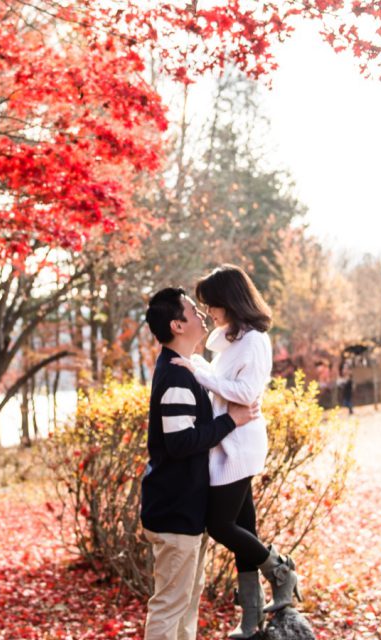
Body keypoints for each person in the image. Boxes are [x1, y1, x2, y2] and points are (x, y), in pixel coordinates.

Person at [171, 265, 300, 639]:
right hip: (229, 442)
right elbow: (219, 374)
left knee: (220, 525)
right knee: (244, 529)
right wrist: (199, 363)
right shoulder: (233, 338)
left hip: (240, 444)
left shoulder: (255, 340)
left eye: (212, 303)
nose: (208, 311)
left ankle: (280, 571)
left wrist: (198, 372)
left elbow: (246, 393)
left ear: (229, 300)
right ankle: (250, 621)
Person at [141, 287, 259, 640]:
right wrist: (230, 421)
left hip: (186, 511)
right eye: (193, 310)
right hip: (174, 513)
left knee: (186, 604)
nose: (203, 314)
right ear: (177, 325)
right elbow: (180, 442)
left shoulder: (184, 368)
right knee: (170, 606)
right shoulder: (176, 376)